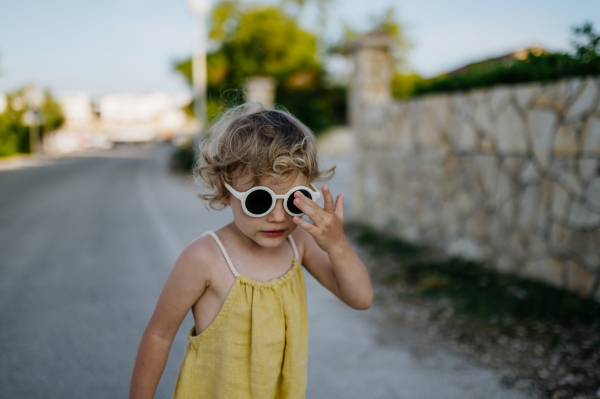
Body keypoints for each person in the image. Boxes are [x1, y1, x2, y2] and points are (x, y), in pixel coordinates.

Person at [129, 103, 374, 399]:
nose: (279, 217)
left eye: (295, 199)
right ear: (225, 191)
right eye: (260, 201)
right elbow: (159, 335)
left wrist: (337, 245)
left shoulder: (299, 243)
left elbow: (361, 298)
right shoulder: (204, 259)